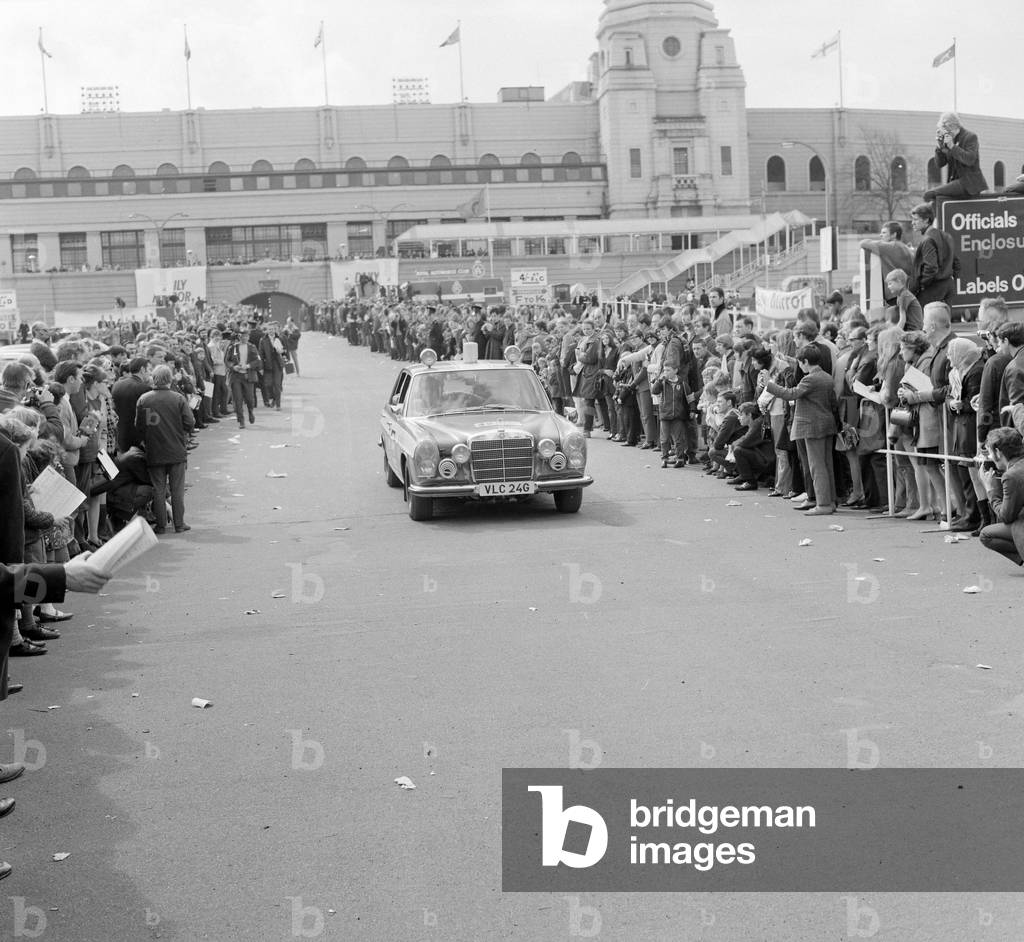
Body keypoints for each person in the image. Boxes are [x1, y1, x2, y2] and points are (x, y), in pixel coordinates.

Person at [762, 345, 838, 515]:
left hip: (811, 426)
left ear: (805, 361)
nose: (800, 366)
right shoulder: (826, 377)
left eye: (800, 362)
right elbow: (832, 402)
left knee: (817, 466)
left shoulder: (809, 379)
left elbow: (791, 394)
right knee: (826, 465)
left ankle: (823, 504)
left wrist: (769, 384)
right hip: (826, 424)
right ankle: (830, 501)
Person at [134, 365, 194, 535]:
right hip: (176, 449)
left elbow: (139, 426)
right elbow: (190, 423)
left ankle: (161, 525)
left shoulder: (144, 399)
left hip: (154, 450)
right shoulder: (178, 398)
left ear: (154, 379)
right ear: (170, 379)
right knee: (177, 489)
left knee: (158, 489)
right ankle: (179, 524)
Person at [978, 428, 1024, 567]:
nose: (990, 457)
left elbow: (1006, 516)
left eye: (990, 452)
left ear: (998, 452)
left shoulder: (1011, 476)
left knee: (986, 534)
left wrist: (990, 489)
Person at [924, 112, 988, 203]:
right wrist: (939, 148)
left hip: (969, 183)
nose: (946, 133)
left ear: (953, 126)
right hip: (954, 182)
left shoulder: (970, 137)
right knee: (935, 199)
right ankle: (935, 213)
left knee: (930, 194)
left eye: (947, 130)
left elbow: (969, 160)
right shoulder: (949, 138)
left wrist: (952, 146)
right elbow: (940, 164)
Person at [908, 203, 956, 308]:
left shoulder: (927, 240)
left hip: (933, 287)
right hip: (948, 285)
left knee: (923, 317)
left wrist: (922, 285)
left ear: (926, 220)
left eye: (916, 219)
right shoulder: (946, 236)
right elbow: (956, 263)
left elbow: (931, 267)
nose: (912, 223)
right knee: (944, 317)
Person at [860, 222, 915, 306]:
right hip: (908, 292)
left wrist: (879, 242)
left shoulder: (889, 247)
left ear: (894, 235)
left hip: (894, 294)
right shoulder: (906, 248)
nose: (880, 235)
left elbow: (863, 243)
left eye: (884, 233)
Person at [224, 331, 262, 429]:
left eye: (246, 336)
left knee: (249, 398)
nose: (244, 338)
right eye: (242, 336)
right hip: (236, 377)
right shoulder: (233, 347)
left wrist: (248, 366)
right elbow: (227, 360)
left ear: (248, 337)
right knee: (238, 399)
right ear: (239, 337)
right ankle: (241, 421)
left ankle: (250, 411)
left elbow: (258, 361)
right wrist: (233, 367)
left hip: (248, 376)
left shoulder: (252, 347)